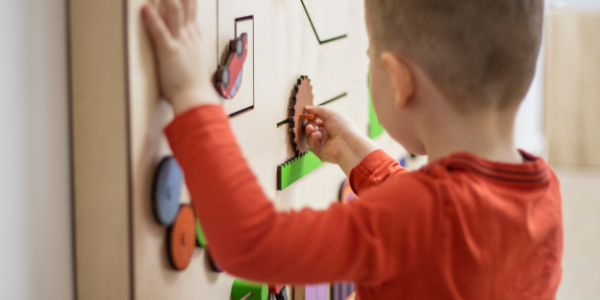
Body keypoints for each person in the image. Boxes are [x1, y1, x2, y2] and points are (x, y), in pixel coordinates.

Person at [141, 0, 562, 298]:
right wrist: (356, 156)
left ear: (399, 82)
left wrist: (191, 92)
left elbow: (252, 244)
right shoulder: (544, 195)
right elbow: (443, 231)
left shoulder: (418, 218)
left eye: (369, 58)